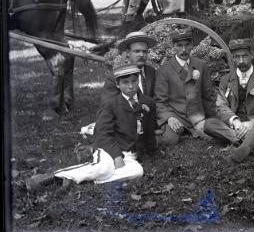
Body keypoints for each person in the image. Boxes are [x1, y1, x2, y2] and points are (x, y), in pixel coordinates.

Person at [26, 64, 157, 191]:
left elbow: (149, 130)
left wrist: (152, 151)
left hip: (130, 154)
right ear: (117, 85)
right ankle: (52, 177)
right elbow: (103, 133)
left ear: (138, 80)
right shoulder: (111, 104)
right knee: (103, 168)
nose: (130, 86)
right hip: (109, 148)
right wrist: (117, 156)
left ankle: (76, 180)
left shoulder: (148, 102)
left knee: (137, 171)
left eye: (134, 81)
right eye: (125, 82)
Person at [204, 38, 254, 163]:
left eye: (245, 56)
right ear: (233, 58)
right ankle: (251, 142)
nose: (241, 61)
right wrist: (236, 122)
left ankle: (241, 151)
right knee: (209, 124)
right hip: (234, 127)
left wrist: (252, 123)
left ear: (252, 55)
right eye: (237, 57)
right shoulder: (226, 79)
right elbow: (220, 106)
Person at [154, 29, 221, 145]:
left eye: (187, 45)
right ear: (173, 47)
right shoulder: (164, 70)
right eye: (179, 46)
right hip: (177, 116)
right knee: (170, 139)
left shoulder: (201, 65)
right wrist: (169, 118)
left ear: (192, 45)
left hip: (198, 116)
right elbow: (160, 101)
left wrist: (212, 118)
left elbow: (208, 95)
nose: (184, 50)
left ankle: (199, 127)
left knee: (215, 133)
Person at [102, 31, 158, 101]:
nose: (141, 55)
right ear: (128, 53)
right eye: (137, 51)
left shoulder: (152, 72)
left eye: (144, 51)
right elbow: (108, 106)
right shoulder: (114, 77)